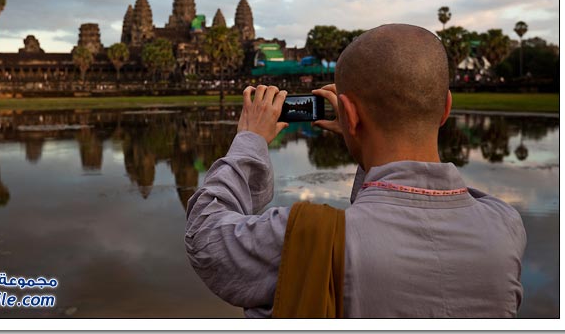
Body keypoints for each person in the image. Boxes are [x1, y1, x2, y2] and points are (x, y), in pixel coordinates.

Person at [184, 23, 526, 318]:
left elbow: (204, 233)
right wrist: (361, 137)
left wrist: (250, 140)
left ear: (348, 113)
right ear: (445, 108)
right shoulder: (505, 227)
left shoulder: (300, 238)